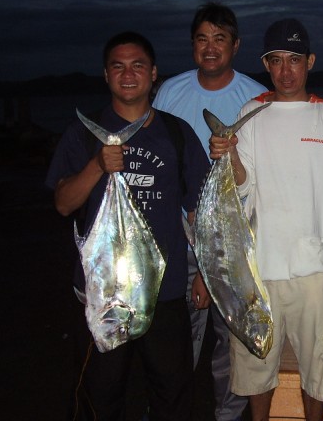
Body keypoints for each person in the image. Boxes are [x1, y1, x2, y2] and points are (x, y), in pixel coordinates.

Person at [46, 31, 210, 420]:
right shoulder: (84, 134)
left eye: (138, 65)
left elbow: (198, 211)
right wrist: (97, 165)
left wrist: (204, 271)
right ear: (106, 75)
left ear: (153, 74)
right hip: (102, 295)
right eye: (118, 66)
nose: (128, 74)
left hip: (166, 292)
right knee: (100, 398)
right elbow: (63, 204)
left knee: (173, 397)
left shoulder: (176, 133)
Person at [209, 18, 323, 421]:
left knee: (319, 362)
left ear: (309, 61)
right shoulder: (251, 113)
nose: (285, 70)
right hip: (258, 267)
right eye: (275, 61)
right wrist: (231, 156)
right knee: (256, 361)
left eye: (294, 60)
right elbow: (244, 185)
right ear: (267, 65)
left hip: (314, 266)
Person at [153, 1, 266, 421]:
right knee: (176, 331)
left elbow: (259, 171)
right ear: (192, 45)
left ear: (235, 45)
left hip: (232, 238)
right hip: (179, 232)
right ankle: (171, 407)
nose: (210, 47)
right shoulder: (169, 91)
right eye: (202, 38)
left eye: (220, 38)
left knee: (231, 332)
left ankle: (227, 413)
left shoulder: (255, 96)